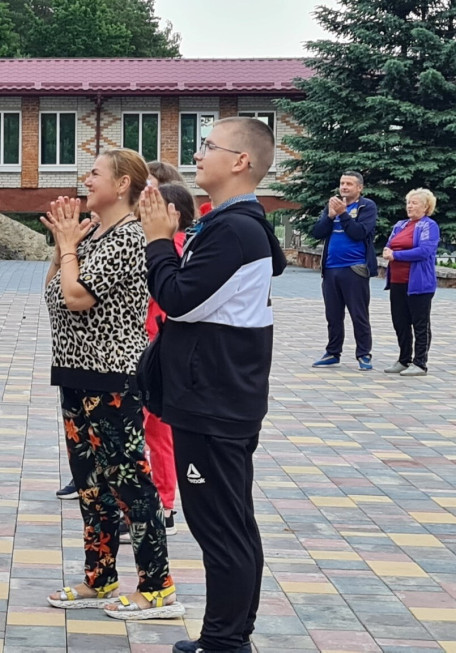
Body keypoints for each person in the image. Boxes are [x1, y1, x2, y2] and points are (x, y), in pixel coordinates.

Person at [140, 116, 286, 653]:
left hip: (214, 399)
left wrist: (158, 242)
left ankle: (224, 641)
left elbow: (179, 299)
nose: (197, 155)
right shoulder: (233, 224)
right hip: (220, 395)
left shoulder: (234, 230)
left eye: (208, 146)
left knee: (221, 528)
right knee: (232, 523)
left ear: (241, 161)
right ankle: (230, 634)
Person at [41, 148, 183, 622]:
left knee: (129, 482)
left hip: (112, 377)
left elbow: (76, 296)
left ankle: (157, 586)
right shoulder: (94, 232)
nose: (86, 179)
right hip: (75, 373)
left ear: (123, 185)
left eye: (96, 173)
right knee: (90, 484)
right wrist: (65, 246)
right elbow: (54, 291)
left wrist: (68, 248)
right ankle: (99, 576)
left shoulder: (128, 237)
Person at [127, 181, 196, 542]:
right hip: (155, 345)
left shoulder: (173, 249)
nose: (142, 215)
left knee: (151, 430)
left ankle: (161, 505)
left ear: (172, 214)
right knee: (154, 431)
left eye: (150, 207)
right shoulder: (171, 247)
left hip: (158, 348)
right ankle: (160, 504)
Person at [310, 171, 378, 370]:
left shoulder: (367, 206)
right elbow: (317, 232)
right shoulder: (333, 205)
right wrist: (330, 216)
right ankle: (333, 352)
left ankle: (364, 354)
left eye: (349, 184)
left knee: (359, 314)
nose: (344, 187)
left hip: (355, 268)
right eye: (342, 183)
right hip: (331, 268)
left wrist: (343, 214)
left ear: (359, 188)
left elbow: (359, 233)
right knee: (333, 315)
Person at [382, 188, 440, 376]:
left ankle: (420, 363)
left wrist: (396, 255)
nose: (410, 206)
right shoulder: (400, 225)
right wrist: (387, 251)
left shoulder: (429, 226)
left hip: (419, 283)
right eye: (408, 202)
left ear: (426, 207)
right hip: (397, 282)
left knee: (420, 324)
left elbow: (424, 251)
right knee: (400, 322)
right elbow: (389, 245)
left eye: (414, 203)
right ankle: (404, 359)